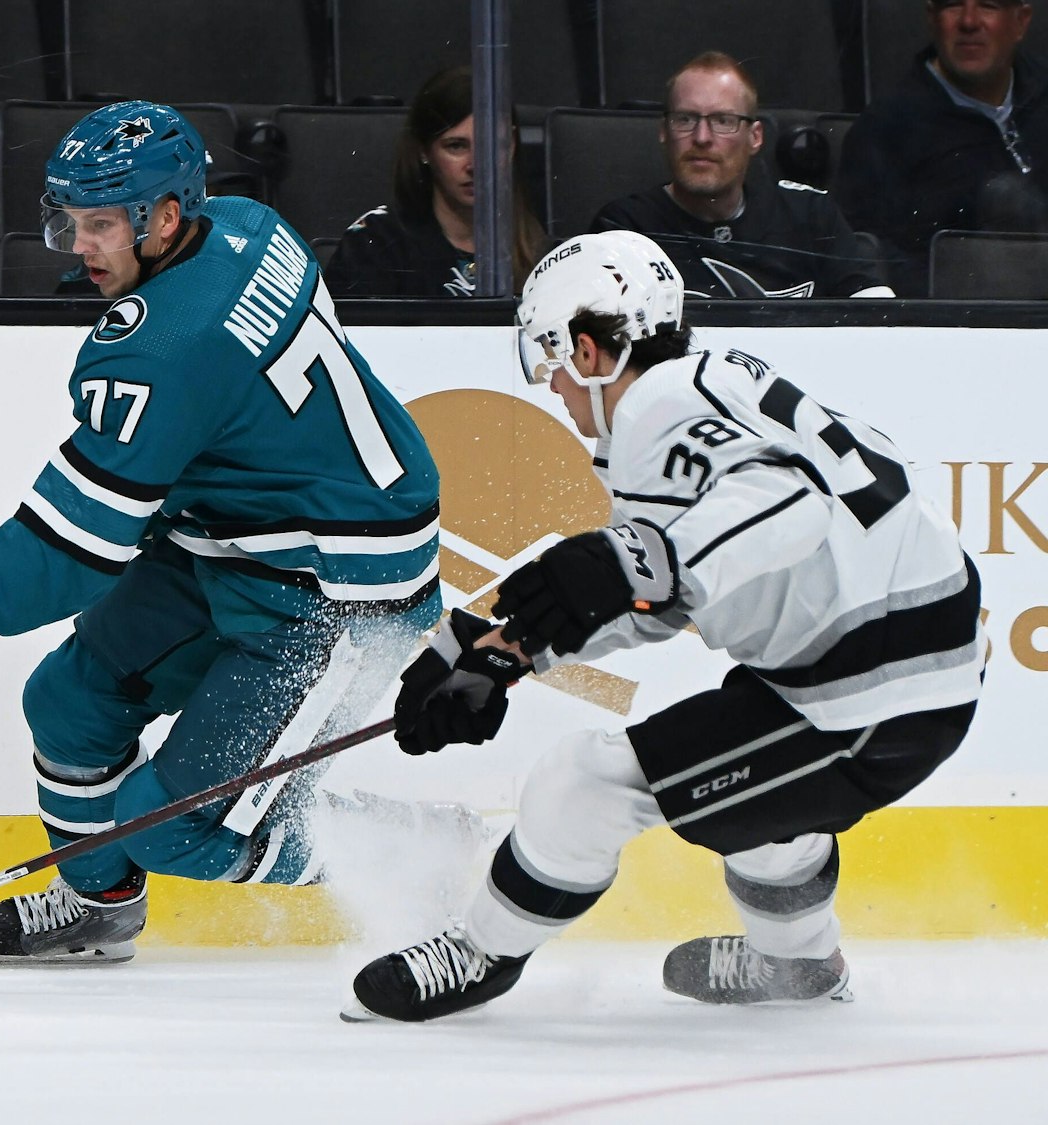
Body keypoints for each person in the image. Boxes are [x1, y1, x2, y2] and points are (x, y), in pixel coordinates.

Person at [0, 100, 443, 965]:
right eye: (68, 221)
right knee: (68, 704)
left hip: (337, 592)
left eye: (102, 223)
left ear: (167, 217)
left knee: (176, 829)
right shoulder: (252, 225)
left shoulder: (160, 347)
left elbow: (72, 553)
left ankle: (428, 857)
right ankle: (95, 903)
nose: (80, 246)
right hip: (234, 536)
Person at [344, 229, 983, 1022]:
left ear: (588, 349)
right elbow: (660, 591)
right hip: (898, 669)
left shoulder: (658, 404)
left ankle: (480, 952)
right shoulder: (705, 388)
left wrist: (644, 562)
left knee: (583, 783)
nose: (551, 389)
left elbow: (787, 505)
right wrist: (501, 648)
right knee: (759, 804)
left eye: (548, 364)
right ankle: (800, 967)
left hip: (867, 691)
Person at [593, 53, 893, 299]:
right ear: (663, 131)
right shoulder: (623, 231)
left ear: (755, 137)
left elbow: (877, 314)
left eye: (724, 121)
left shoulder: (811, 215)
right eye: (685, 119)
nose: (702, 137)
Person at [838, 0, 1048, 296]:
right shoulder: (885, 129)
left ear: (1021, 21)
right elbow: (868, 258)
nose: (969, 21)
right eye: (953, 5)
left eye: (988, 6)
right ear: (931, 18)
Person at [324, 66, 546, 297]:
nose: (475, 166)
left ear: (511, 147)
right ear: (423, 151)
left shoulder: (542, 255)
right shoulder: (375, 244)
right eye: (456, 146)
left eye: (491, 146)